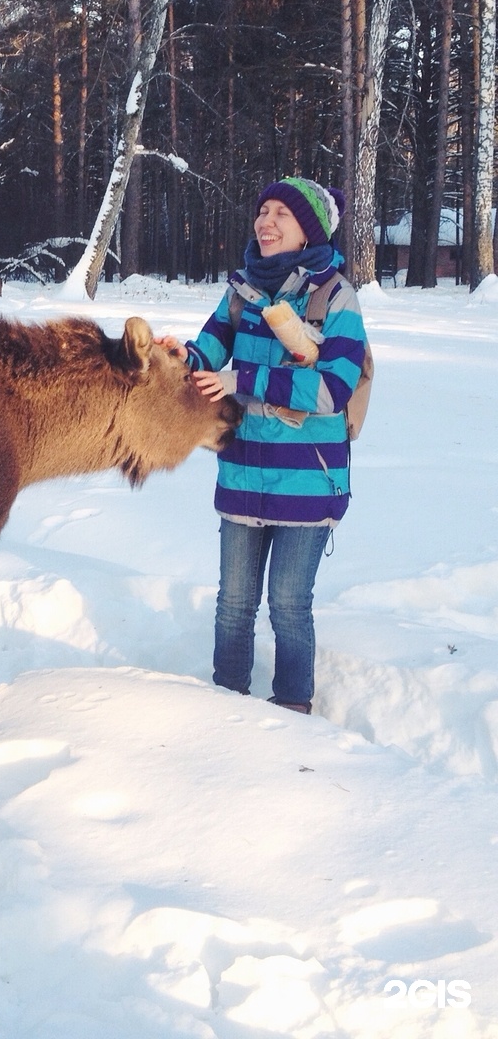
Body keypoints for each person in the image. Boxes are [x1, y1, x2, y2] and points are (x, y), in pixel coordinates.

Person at [158, 177, 369, 714]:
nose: (265, 221)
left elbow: (331, 389)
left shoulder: (336, 296)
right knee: (233, 605)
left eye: (281, 213)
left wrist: (241, 380)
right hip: (243, 471)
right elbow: (209, 348)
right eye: (262, 210)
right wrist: (180, 356)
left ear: (309, 231)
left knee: (289, 605)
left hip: (307, 477)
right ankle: (228, 707)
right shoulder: (243, 289)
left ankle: (293, 710)